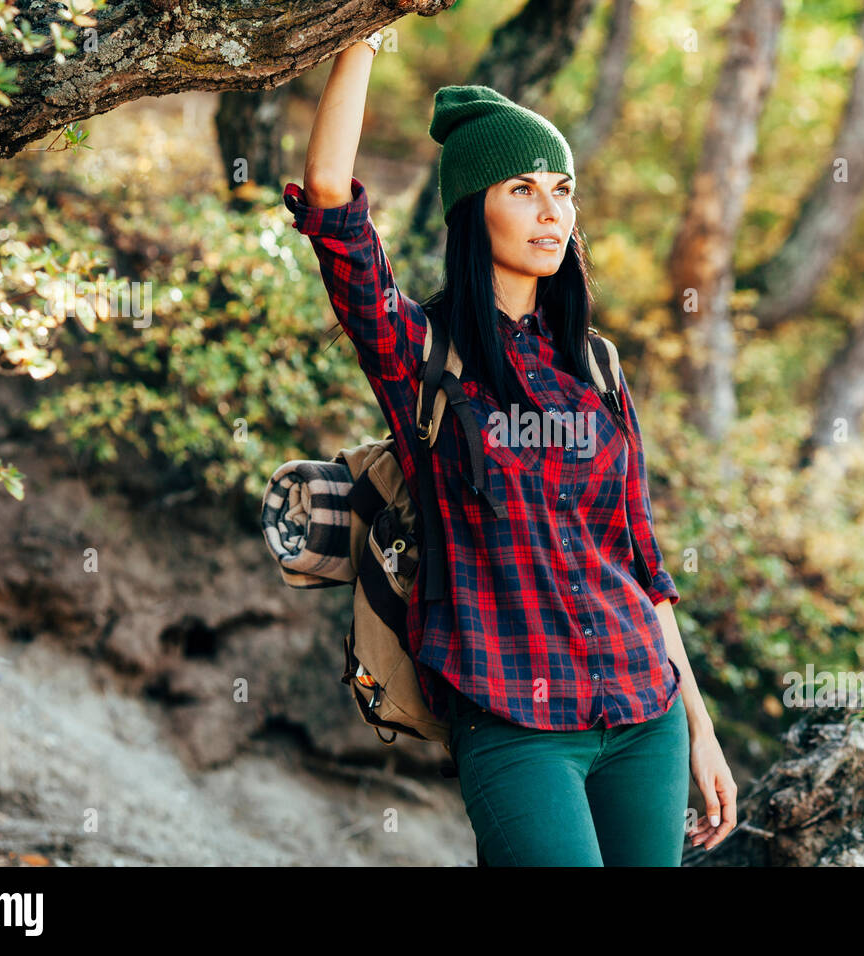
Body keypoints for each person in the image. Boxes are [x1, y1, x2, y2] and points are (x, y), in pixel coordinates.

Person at [283, 34, 736, 866]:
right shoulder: (423, 353)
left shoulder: (596, 366)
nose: (552, 211)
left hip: (645, 713)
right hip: (512, 722)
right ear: (471, 209)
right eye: (522, 189)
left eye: (561, 191)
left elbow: (642, 561)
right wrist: (358, 36)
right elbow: (331, 208)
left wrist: (701, 729)